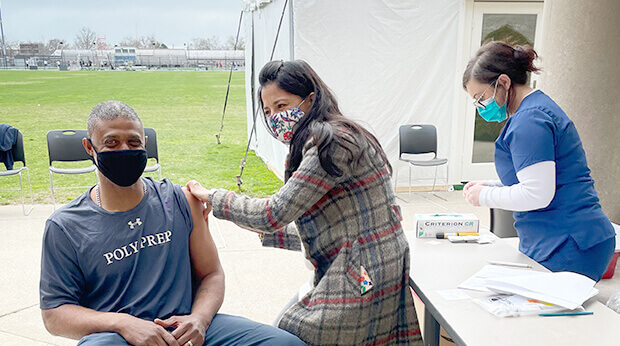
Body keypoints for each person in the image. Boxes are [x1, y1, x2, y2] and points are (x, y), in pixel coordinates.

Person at [187, 60, 421, 345]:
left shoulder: (332, 142)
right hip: (367, 264)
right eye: (268, 111)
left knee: (294, 335)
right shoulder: (327, 137)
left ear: (310, 100)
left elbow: (274, 212)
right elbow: (327, 226)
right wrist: (264, 230)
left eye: (282, 106)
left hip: (365, 272)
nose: (274, 118)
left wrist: (215, 198)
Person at [39, 101, 305, 346]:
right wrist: (122, 323)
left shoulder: (179, 200)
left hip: (187, 326)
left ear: (144, 143)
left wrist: (199, 319)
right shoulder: (65, 226)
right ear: (90, 148)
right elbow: (54, 314)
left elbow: (211, 274)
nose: (124, 150)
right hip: (119, 337)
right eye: (111, 142)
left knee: (286, 344)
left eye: (133, 143)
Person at [462, 41, 615, 281]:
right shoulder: (537, 108)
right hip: (571, 237)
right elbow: (542, 179)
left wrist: (483, 196)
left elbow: (537, 194)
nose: (481, 107)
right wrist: (492, 185)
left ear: (503, 82)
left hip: (568, 243)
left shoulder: (529, 121)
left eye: (481, 97)